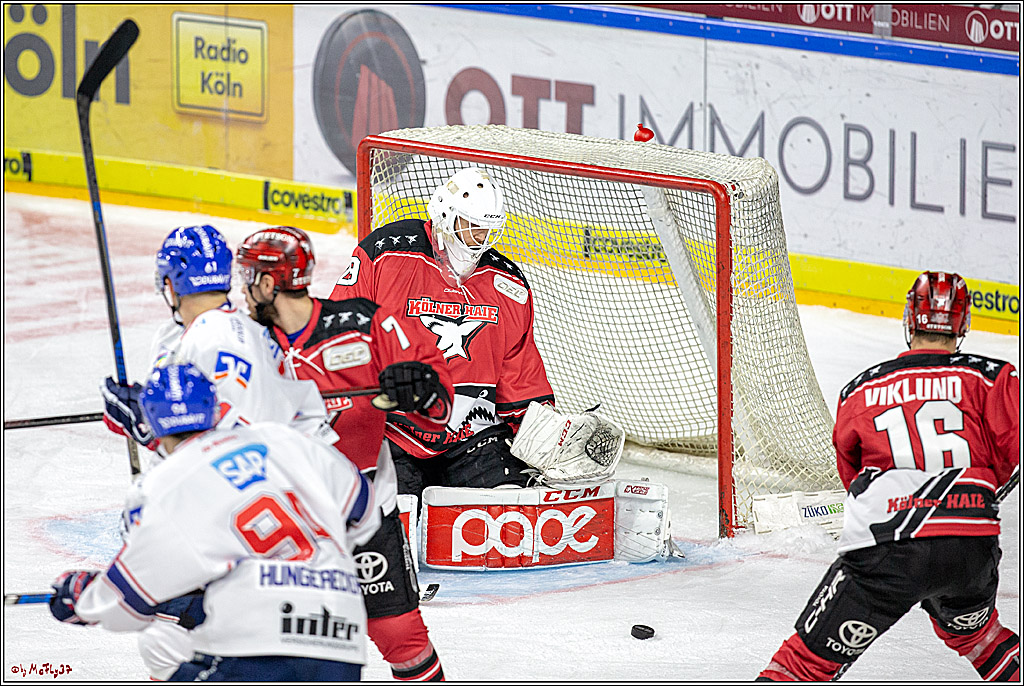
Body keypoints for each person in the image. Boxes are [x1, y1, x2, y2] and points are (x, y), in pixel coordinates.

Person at [757, 271, 1019, 681]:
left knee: (805, 663)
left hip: (886, 547)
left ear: (909, 319)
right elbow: (1012, 457)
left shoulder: (861, 388)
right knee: (980, 638)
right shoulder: (995, 377)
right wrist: (969, 497)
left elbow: (851, 471)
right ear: (963, 324)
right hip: (970, 548)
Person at [98, 224, 334, 679]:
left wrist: (145, 428)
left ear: (170, 283)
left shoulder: (216, 339)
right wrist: (146, 411)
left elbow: (231, 437)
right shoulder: (207, 332)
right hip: (253, 515)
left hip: (239, 524)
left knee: (170, 646)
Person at [50, 362, 380, 681]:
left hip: (257, 641)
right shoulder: (282, 439)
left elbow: (125, 605)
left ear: (151, 422)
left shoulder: (166, 483)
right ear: (215, 408)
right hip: (340, 634)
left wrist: (81, 597)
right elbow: (365, 513)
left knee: (162, 647)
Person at [236, 225, 452, 681]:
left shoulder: (364, 323)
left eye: (250, 276)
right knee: (274, 642)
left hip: (365, 514)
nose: (243, 288)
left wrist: (421, 387)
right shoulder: (241, 343)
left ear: (270, 283)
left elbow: (438, 408)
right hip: (281, 524)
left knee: (401, 636)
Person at [330, 167, 556, 498]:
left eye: (488, 228)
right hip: (393, 431)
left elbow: (519, 375)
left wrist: (545, 434)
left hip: (472, 436)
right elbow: (340, 331)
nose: (481, 236)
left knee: (512, 502)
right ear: (446, 215)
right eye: (472, 225)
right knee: (394, 508)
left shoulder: (508, 285)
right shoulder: (386, 253)